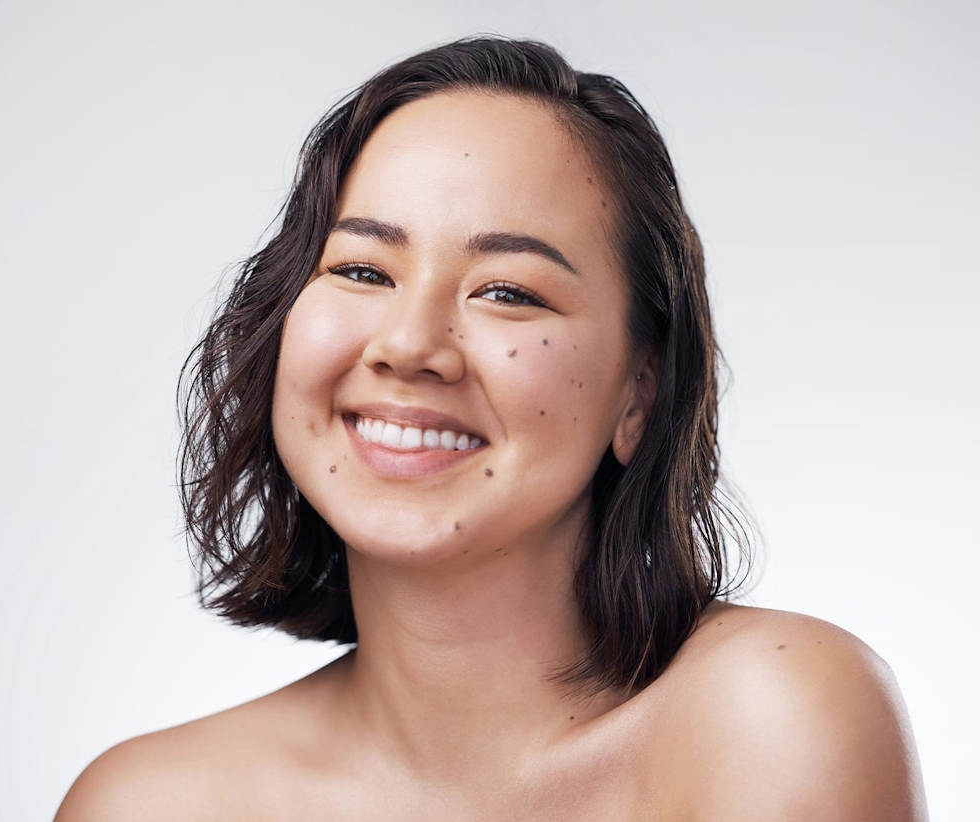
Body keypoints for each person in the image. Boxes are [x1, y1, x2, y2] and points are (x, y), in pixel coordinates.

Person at [55, 36, 927, 820]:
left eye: (507, 291)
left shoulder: (775, 716)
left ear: (640, 394)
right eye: (361, 268)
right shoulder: (143, 804)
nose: (408, 344)